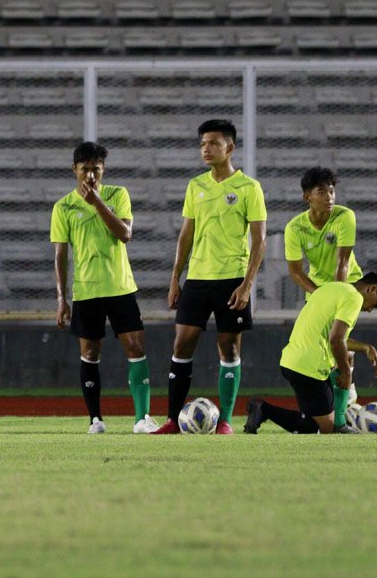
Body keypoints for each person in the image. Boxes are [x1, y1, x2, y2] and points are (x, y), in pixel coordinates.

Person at [152, 119, 267, 435]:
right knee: (182, 344)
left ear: (230, 147)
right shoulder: (195, 186)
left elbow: (260, 241)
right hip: (198, 279)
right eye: (203, 143)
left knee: (229, 349)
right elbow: (186, 235)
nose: (206, 149)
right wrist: (175, 278)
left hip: (232, 279)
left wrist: (247, 284)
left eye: (213, 143)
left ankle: (226, 420)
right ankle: (174, 420)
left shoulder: (249, 188)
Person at [51, 141, 157, 434]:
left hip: (120, 287)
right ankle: (95, 420)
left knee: (136, 349)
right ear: (75, 170)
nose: (90, 176)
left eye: (95, 170)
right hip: (86, 291)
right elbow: (60, 255)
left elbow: (125, 234)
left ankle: (141, 419)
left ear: (103, 170)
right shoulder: (63, 207)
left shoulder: (117, 195)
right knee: (90, 354)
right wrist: (61, 300)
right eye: (85, 169)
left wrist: (97, 202)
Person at [244, 273, 377, 435]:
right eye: (376, 304)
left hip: (292, 360)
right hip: (310, 368)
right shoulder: (354, 298)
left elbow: (336, 337)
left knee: (347, 355)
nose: (371, 310)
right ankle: (263, 409)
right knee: (323, 428)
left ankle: (338, 422)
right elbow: (336, 339)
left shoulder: (332, 288)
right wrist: (345, 372)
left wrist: (366, 347)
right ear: (372, 288)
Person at [284, 166, 364, 431]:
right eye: (322, 191)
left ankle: (340, 417)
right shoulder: (295, 227)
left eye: (332, 190)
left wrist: (336, 297)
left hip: (346, 285)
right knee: (323, 353)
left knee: (342, 349)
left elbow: (343, 261)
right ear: (307, 196)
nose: (330, 196)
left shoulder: (345, 217)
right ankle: (333, 408)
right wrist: (320, 295)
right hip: (316, 290)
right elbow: (295, 271)